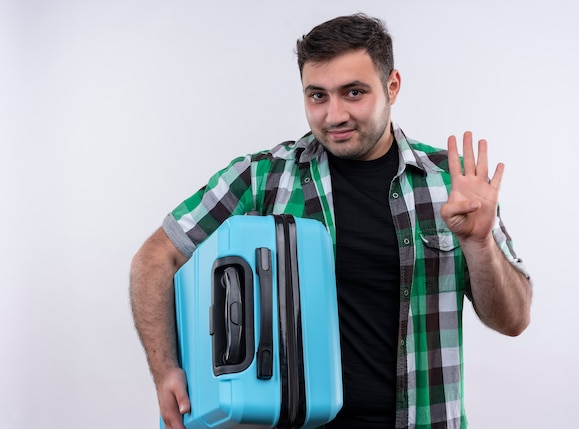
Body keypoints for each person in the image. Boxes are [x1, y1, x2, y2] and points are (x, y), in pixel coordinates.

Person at [130, 13, 532, 429]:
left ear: (392, 85)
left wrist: (480, 243)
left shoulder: (453, 184)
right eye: (317, 96)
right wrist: (166, 371)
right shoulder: (262, 178)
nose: (333, 115)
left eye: (353, 92)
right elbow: (157, 257)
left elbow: (513, 319)